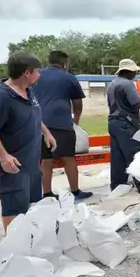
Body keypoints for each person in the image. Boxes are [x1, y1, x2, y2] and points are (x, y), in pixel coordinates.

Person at [0, 52, 57, 229]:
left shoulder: (29, 92)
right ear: (27, 73)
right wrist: (3, 156)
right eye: (37, 71)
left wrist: (47, 133)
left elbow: (34, 115)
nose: (39, 75)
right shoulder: (3, 96)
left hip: (31, 164)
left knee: (31, 206)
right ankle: (15, 249)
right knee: (13, 209)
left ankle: (28, 242)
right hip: (13, 166)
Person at [32, 50, 92, 201]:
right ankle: (75, 191)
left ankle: (46, 193)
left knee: (46, 161)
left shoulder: (36, 76)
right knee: (68, 158)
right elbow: (77, 103)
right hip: (62, 124)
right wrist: (76, 121)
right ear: (65, 63)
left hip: (40, 124)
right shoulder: (69, 78)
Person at [106, 58, 140, 192]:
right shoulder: (128, 84)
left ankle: (118, 185)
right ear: (128, 72)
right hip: (126, 123)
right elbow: (139, 104)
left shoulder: (112, 84)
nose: (135, 74)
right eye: (134, 72)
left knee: (118, 157)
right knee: (136, 154)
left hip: (113, 122)